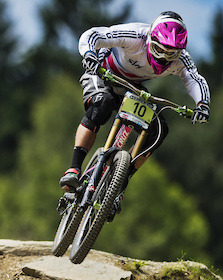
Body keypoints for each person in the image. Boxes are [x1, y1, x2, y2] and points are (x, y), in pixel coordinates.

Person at [59, 11, 210, 193]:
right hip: (102, 73)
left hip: (131, 87)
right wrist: (89, 54)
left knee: (158, 131)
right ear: (150, 39)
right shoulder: (135, 34)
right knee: (102, 103)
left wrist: (202, 105)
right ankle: (74, 169)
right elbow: (93, 35)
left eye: (171, 54)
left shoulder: (182, 60)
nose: (163, 57)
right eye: (159, 49)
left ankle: (120, 182)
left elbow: (194, 79)